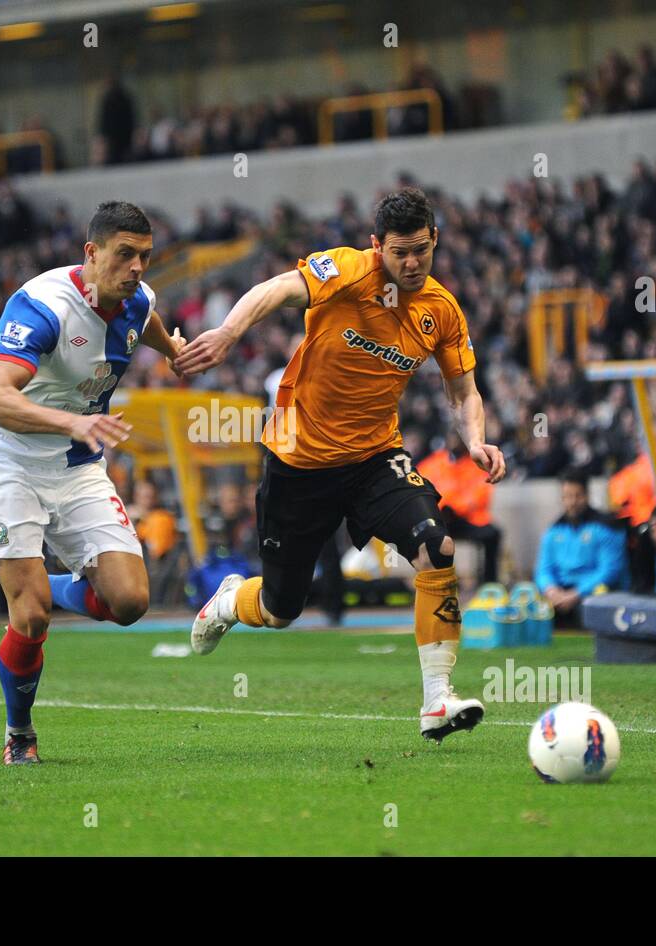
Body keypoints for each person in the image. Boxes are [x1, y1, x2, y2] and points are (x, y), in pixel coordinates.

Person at [176, 187, 507, 743]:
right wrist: (230, 333)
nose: (410, 263)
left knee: (435, 545)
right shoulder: (348, 269)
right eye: (399, 252)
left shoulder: (442, 310)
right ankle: (231, 600)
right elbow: (277, 288)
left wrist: (476, 439)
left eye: (421, 250)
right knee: (283, 609)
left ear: (435, 242)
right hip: (299, 461)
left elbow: (463, 391)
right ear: (377, 245)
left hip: (375, 457)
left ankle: (437, 700)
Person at [0, 201, 185, 765]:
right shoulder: (42, 307)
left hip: (75, 462)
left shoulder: (139, 298)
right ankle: (20, 732)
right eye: (123, 255)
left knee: (129, 601)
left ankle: (42, 586)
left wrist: (174, 350)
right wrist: (73, 420)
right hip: (6, 456)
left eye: (145, 257)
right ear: (91, 253)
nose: (135, 268)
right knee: (29, 618)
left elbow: (146, 319)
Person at [534, 469, 629, 625]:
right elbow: (543, 569)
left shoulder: (605, 528)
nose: (572, 502)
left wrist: (576, 594)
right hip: (559, 595)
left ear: (587, 496)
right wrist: (551, 590)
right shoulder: (553, 531)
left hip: (591, 595)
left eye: (577, 496)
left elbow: (610, 571)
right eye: (567, 497)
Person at [417, 430, 502, 584]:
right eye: (452, 437)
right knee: (428, 536)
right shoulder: (435, 462)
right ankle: (437, 582)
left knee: (492, 534)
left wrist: (455, 507)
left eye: (459, 439)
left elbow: (481, 495)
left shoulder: (477, 464)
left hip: (468, 520)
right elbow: (420, 488)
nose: (455, 442)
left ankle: (489, 583)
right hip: (440, 519)